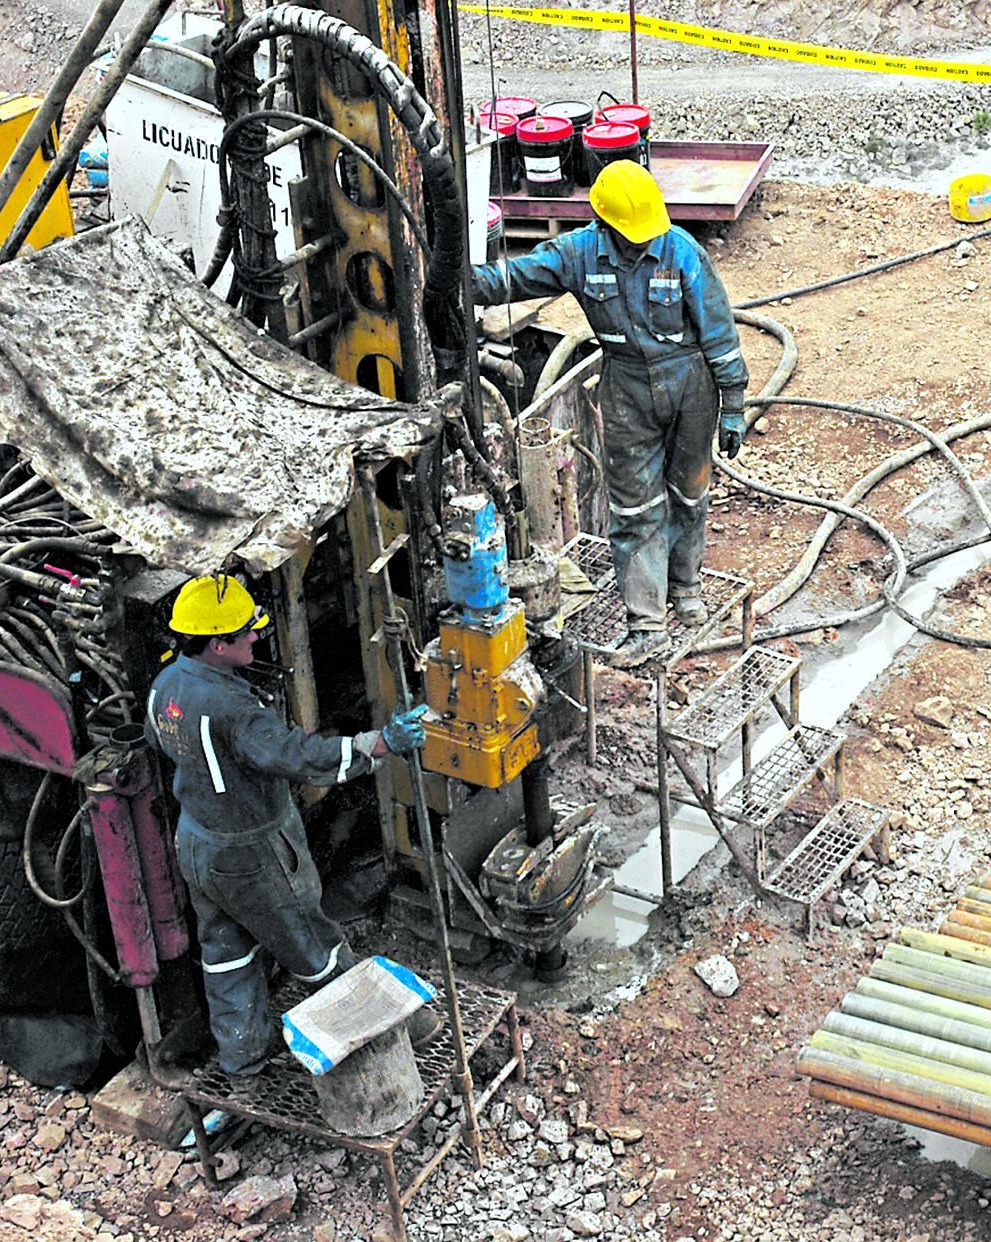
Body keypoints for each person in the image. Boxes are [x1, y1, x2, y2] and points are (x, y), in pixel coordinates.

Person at [145, 575, 433, 1081]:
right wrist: (377, 744)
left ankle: (244, 1061)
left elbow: (163, 743)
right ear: (218, 644)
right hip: (253, 855)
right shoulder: (235, 711)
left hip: (198, 844)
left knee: (226, 953)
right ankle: (392, 1032)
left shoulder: (164, 687)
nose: (256, 638)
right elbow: (296, 757)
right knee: (313, 945)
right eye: (246, 633)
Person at [472, 161, 749, 661]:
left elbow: (720, 335)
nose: (641, 244)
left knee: (689, 492)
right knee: (635, 507)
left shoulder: (683, 253)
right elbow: (511, 279)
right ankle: (647, 624)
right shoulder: (577, 254)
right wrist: (448, 279)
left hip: (691, 384)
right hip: (626, 389)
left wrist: (732, 404)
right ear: (604, 223)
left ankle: (685, 591)